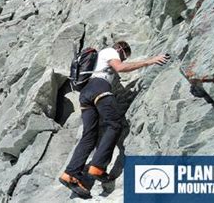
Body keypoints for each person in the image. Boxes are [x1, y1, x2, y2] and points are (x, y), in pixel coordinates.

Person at [59, 41, 169, 198]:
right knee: (114, 125)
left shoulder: (97, 59)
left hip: (85, 94)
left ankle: (70, 173)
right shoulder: (110, 51)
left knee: (89, 136)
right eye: (124, 56)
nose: (122, 59)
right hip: (99, 87)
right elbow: (120, 68)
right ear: (120, 49)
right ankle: (97, 167)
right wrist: (149, 60)